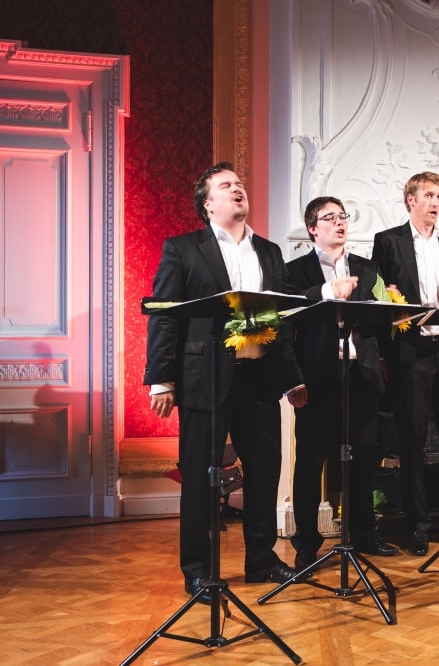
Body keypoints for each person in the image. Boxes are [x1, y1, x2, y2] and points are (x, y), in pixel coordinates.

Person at [144, 162, 307, 600]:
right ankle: (198, 567)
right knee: (200, 476)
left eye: (240, 184)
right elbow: (164, 316)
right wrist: (161, 378)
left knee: (265, 471)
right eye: (226, 186)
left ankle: (261, 559)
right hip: (204, 379)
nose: (238, 189)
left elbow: (285, 320)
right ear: (207, 203)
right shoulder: (183, 249)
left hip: (260, 378)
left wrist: (292, 378)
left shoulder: (269, 252)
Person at [285, 196, 400, 568]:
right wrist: (292, 382)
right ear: (312, 228)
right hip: (316, 379)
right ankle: (306, 544)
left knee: (362, 460)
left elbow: (380, 324)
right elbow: (286, 321)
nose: (339, 223)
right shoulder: (295, 271)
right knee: (310, 463)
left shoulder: (367, 269)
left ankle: (365, 534)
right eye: (329, 218)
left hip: (361, 376)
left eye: (342, 216)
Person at [371, 171, 439, 556]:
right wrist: (389, 296)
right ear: (410, 200)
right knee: (412, 441)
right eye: (429, 196)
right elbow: (377, 296)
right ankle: (418, 525)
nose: (435, 203)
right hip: (409, 355)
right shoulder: (388, 242)